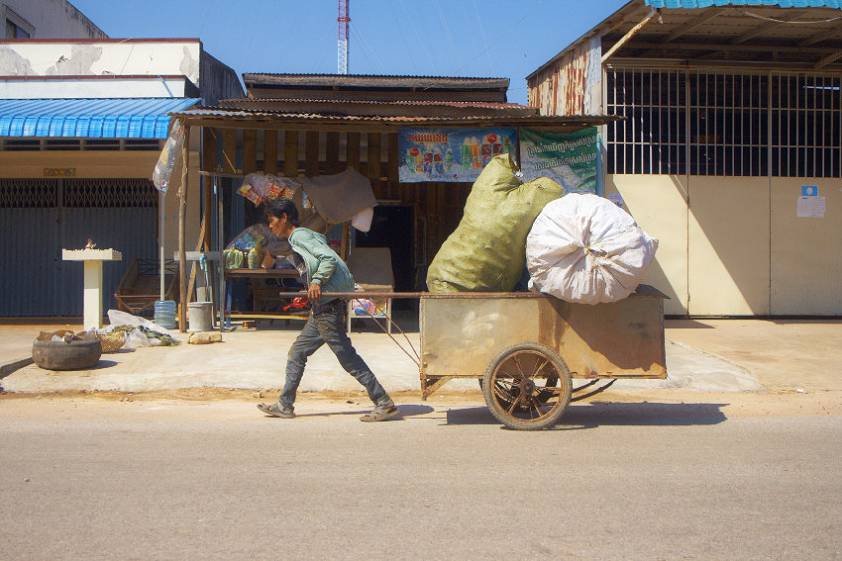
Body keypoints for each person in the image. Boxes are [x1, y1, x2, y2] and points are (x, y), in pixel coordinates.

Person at [256, 198, 399, 422]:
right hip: (322, 308)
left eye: (272, 220)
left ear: (284, 218)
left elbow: (328, 259)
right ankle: (285, 404)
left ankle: (384, 402)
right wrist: (311, 288)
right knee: (297, 353)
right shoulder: (302, 236)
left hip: (327, 309)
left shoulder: (299, 236)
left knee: (347, 358)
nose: (270, 225)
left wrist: (316, 282)